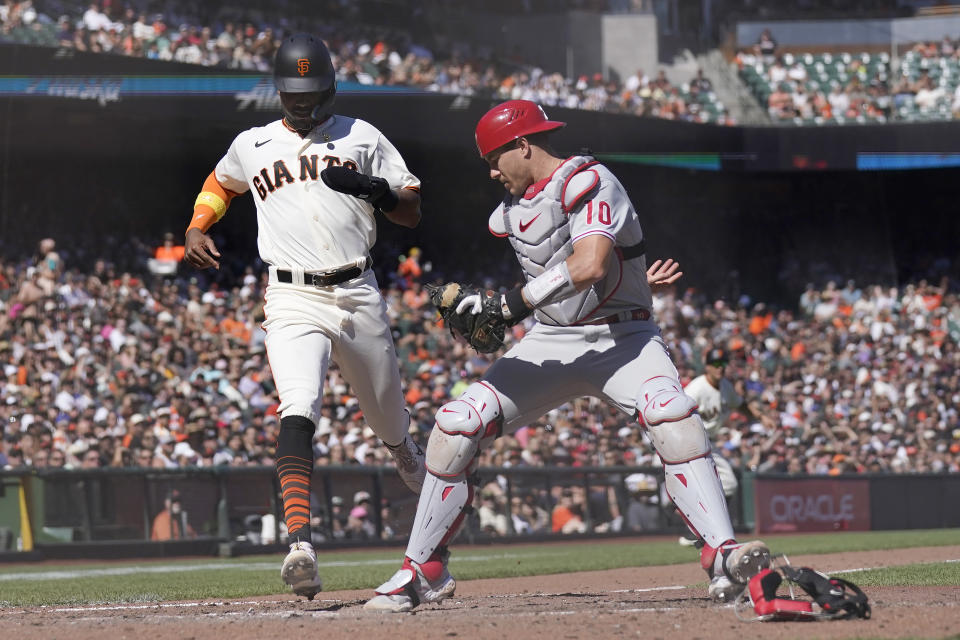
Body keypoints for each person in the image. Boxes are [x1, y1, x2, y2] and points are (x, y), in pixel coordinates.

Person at [363, 100, 770, 612]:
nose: (490, 171)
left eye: (493, 158)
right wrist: (497, 310)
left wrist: (511, 304)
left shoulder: (592, 180)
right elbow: (559, 276)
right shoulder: (510, 210)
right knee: (455, 424)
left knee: (674, 416)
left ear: (523, 145)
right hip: (552, 339)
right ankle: (421, 571)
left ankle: (723, 555)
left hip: (625, 340)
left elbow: (592, 263)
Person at [182, 33, 427, 600]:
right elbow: (222, 182)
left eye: (312, 91)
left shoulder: (362, 136)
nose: (302, 102)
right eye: (293, 92)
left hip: (358, 292)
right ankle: (300, 544)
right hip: (291, 298)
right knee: (299, 406)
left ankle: (405, 451)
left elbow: (412, 210)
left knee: (390, 424)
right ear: (279, 90)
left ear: (332, 87)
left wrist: (376, 191)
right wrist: (198, 223)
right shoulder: (254, 142)